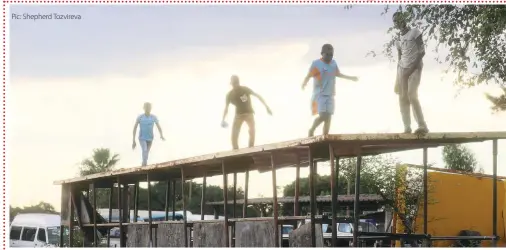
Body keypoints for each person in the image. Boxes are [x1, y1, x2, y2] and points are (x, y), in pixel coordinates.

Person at [301, 44, 359, 136]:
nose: (329, 56)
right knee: (323, 116)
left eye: (331, 55)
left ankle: (325, 137)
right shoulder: (316, 64)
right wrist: (304, 83)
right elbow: (309, 75)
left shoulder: (333, 63)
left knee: (329, 117)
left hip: (331, 94)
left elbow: (338, 74)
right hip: (320, 94)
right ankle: (312, 129)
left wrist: (351, 78)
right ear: (322, 54)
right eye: (327, 54)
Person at [393, 12, 429, 135]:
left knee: (412, 95)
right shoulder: (398, 39)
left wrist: (412, 68)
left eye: (399, 19)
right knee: (402, 98)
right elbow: (399, 58)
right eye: (395, 21)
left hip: (414, 68)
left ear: (404, 19)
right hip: (402, 70)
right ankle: (407, 127)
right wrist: (398, 77)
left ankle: (422, 125)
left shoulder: (414, 32)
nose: (398, 22)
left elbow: (422, 51)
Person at [222, 75, 272, 150]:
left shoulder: (245, 89)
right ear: (232, 84)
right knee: (234, 136)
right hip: (238, 115)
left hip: (249, 114)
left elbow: (257, 96)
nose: (236, 86)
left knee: (252, 130)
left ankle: (251, 148)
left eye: (236, 83)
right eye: (234, 84)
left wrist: (266, 107)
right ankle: (236, 151)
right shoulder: (229, 95)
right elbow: (226, 108)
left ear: (238, 83)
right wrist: (223, 119)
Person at [132, 102, 165, 166]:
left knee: (146, 153)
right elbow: (134, 128)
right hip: (142, 138)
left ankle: (143, 163)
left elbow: (158, 126)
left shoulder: (153, 117)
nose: (148, 109)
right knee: (144, 150)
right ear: (144, 108)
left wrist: (161, 135)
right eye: (146, 108)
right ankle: (144, 165)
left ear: (151, 108)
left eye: (149, 108)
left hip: (150, 138)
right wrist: (133, 140)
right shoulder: (140, 117)